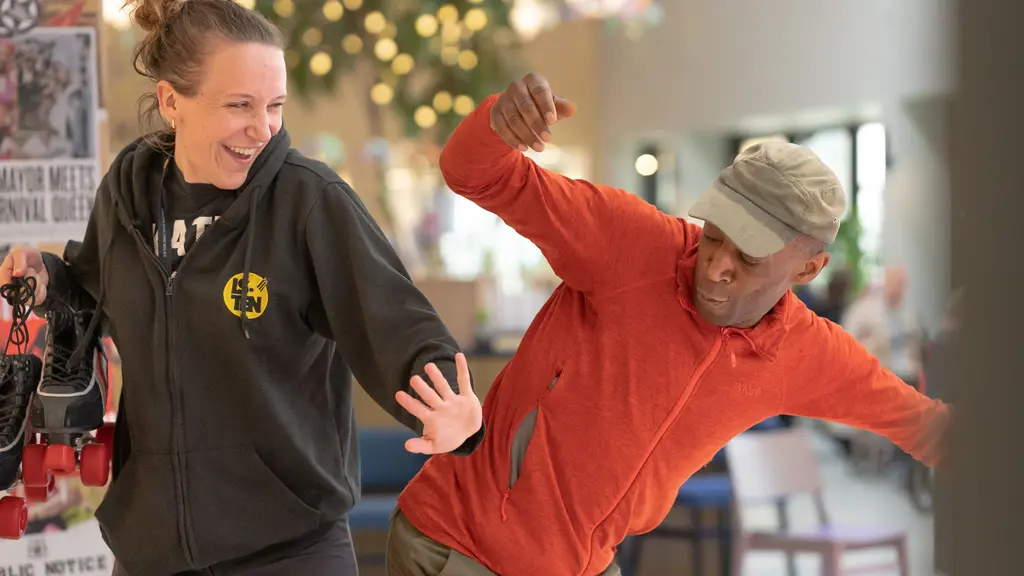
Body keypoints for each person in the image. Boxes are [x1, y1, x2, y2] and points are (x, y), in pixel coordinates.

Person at [386, 73, 952, 576]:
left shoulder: (803, 352)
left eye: (749, 257)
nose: (718, 266)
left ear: (808, 268)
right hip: (459, 546)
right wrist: (498, 123)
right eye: (714, 234)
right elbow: (472, 172)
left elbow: (924, 427)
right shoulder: (630, 243)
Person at [0, 0, 483, 574]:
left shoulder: (308, 201)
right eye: (239, 106)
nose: (263, 128)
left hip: (290, 549)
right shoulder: (127, 195)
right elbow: (97, 299)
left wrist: (454, 408)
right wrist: (46, 278)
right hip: (152, 552)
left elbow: (391, 316)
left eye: (275, 106)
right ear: (171, 101)